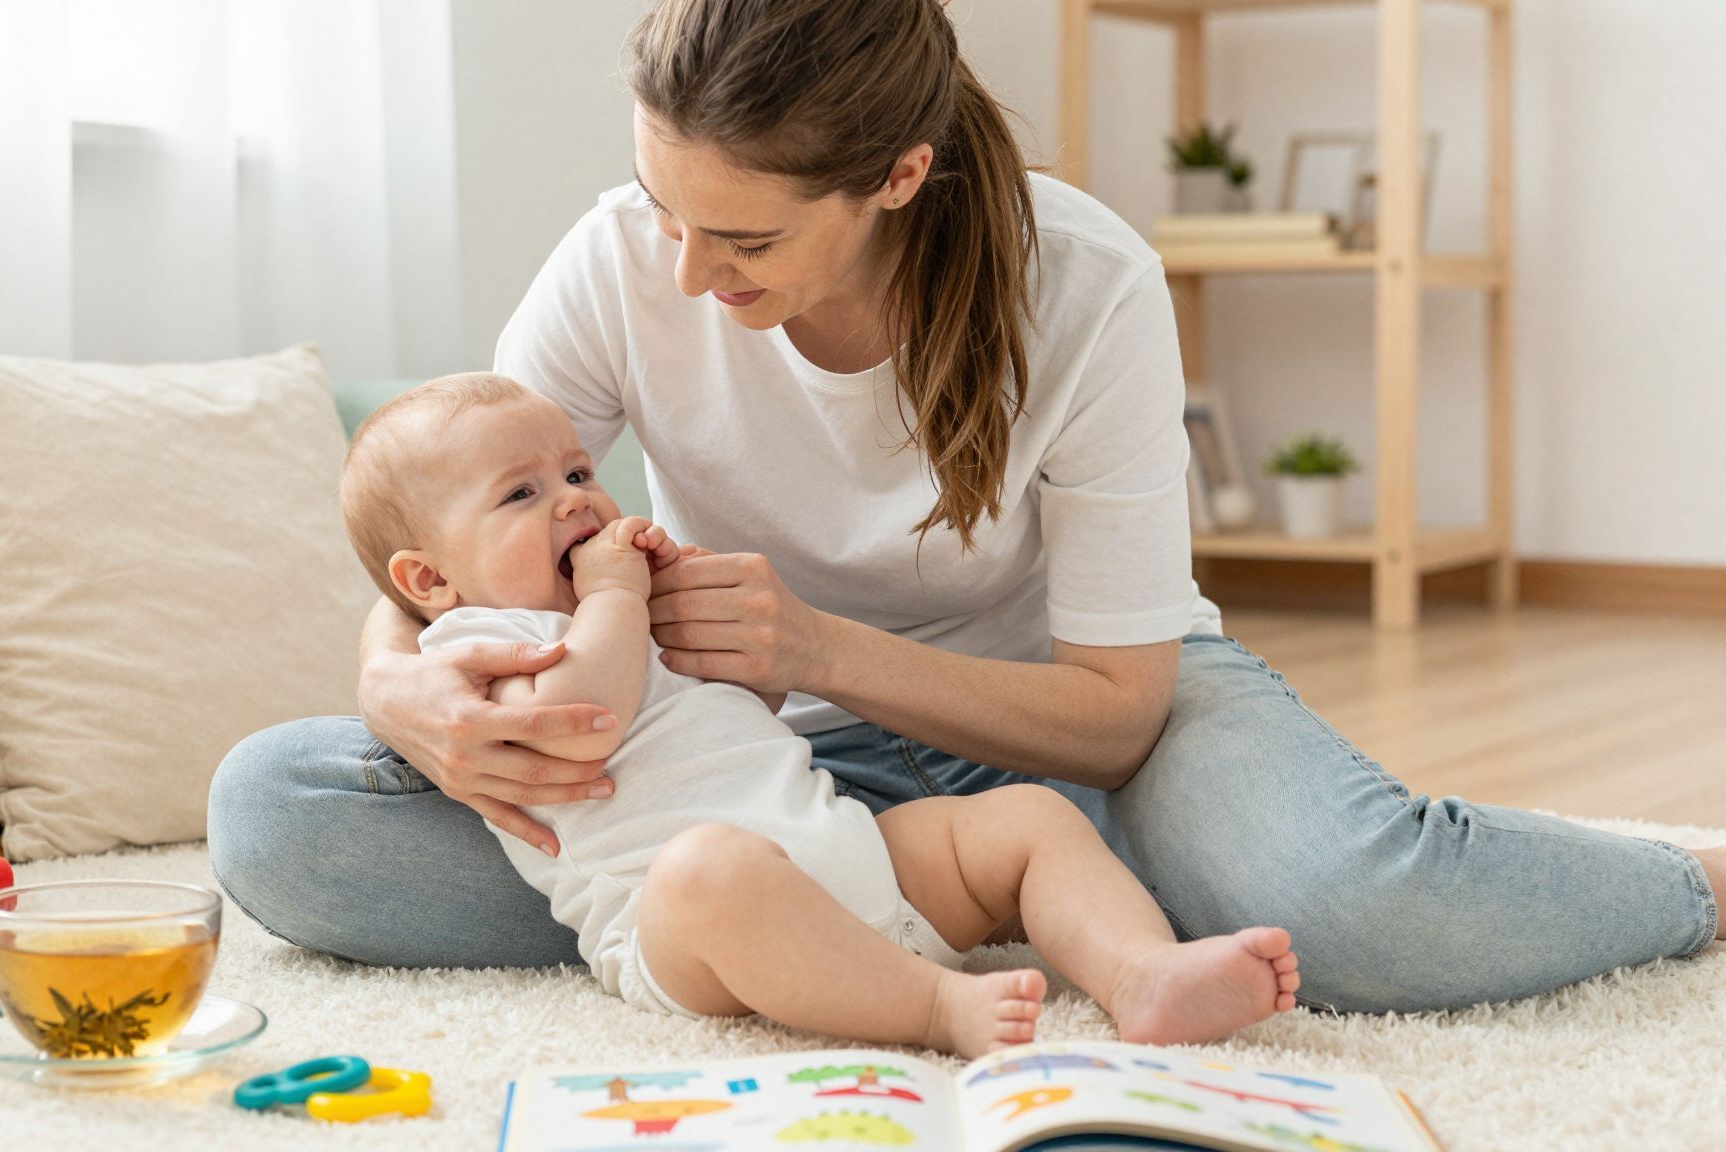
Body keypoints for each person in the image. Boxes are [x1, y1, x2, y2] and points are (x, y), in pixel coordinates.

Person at [207, 0, 1721, 1012]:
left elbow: (1123, 708)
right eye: (663, 211)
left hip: (1091, 721)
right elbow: (453, 516)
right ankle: (991, 891)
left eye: (737, 236)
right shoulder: (622, 260)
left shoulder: (1089, 285)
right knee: (278, 815)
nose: (679, 271)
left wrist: (817, 650)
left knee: (1357, 908)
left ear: (898, 176)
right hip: (767, 769)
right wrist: (407, 696)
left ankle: (1677, 875)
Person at [333, 371, 1301, 1055]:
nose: (574, 505)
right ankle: (931, 1008)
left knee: (1026, 821)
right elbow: (581, 714)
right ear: (429, 579)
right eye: (521, 494)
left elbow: (744, 713)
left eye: (580, 474)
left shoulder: (609, 604)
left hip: (844, 847)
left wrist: (694, 626)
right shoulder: (469, 644)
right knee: (707, 867)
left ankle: (1140, 975)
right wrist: (618, 602)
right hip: (685, 927)